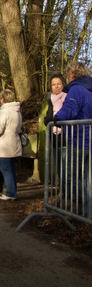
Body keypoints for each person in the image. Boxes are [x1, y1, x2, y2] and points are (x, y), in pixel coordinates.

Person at [54, 62, 92, 218]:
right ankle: (86, 213)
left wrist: (57, 118)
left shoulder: (77, 89)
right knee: (87, 179)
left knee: (73, 177)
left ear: (72, 75)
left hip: (78, 140)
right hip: (89, 141)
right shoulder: (90, 90)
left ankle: (77, 212)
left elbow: (71, 108)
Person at [0, 89, 22, 201]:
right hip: (13, 142)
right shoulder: (17, 111)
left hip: (4, 145)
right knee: (11, 169)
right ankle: (13, 192)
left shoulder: (4, 111)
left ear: (2, 99)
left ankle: (10, 193)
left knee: (6, 169)